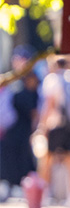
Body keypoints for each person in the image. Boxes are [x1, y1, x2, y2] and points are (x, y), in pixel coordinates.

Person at [37, 55, 70, 208]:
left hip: (56, 126)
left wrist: (42, 127)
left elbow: (49, 105)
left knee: (48, 160)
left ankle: (43, 196)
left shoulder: (52, 80)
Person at [0, 47, 40, 199]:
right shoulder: (11, 79)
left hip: (24, 128)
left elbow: (33, 107)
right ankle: (8, 185)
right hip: (9, 129)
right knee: (7, 156)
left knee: (23, 157)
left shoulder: (31, 78)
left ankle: (19, 186)